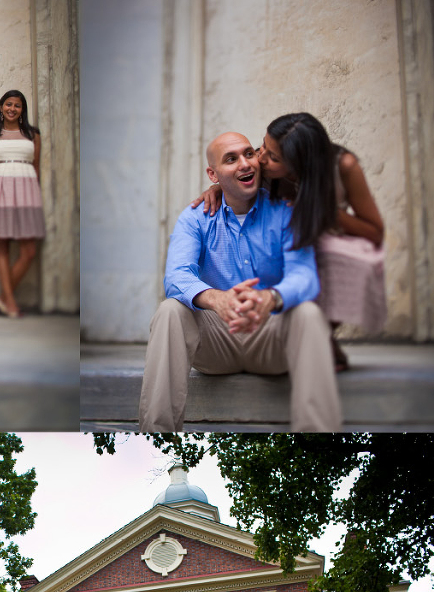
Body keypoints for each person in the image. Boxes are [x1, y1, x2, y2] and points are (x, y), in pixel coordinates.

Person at [139, 131, 341, 431]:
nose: (245, 164)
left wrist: (269, 298)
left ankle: (319, 434)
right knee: (171, 310)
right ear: (213, 174)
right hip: (216, 343)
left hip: (271, 337)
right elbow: (177, 275)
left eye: (249, 154)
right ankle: (158, 433)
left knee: (309, 312)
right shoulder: (196, 217)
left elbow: (305, 276)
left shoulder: (285, 211)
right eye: (231, 159)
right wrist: (216, 299)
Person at [193, 112, 385, 372]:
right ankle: (281, 335)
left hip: (324, 234)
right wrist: (217, 188)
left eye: (272, 157)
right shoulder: (268, 160)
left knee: (337, 256)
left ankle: (323, 336)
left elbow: (374, 232)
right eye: (263, 146)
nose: (260, 158)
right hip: (281, 235)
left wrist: (322, 208)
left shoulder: (343, 167)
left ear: (298, 165)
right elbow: (237, 176)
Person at [0, 90, 45, 318]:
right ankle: (11, 303)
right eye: (8, 104)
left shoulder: (33, 135)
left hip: (27, 192)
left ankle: (3, 298)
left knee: (29, 250)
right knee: (2, 246)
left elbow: (36, 166)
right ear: (1, 107)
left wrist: (31, 190)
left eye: (17, 105)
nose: (12, 109)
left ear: (22, 110)